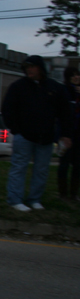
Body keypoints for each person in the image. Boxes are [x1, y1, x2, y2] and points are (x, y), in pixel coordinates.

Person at [2, 55, 71, 212]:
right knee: (19, 167)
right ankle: (15, 200)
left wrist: (65, 134)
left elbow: (65, 113)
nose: (29, 70)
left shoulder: (55, 88)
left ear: (40, 68)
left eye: (32, 66)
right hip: (23, 137)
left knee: (41, 170)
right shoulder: (18, 87)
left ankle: (35, 199)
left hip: (46, 137)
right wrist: (16, 130)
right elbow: (7, 110)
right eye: (27, 67)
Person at [57, 66, 80, 201]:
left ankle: (74, 193)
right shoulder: (64, 92)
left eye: (77, 75)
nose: (76, 77)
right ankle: (63, 194)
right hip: (65, 135)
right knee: (64, 164)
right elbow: (61, 115)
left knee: (77, 165)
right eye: (73, 75)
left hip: (78, 136)